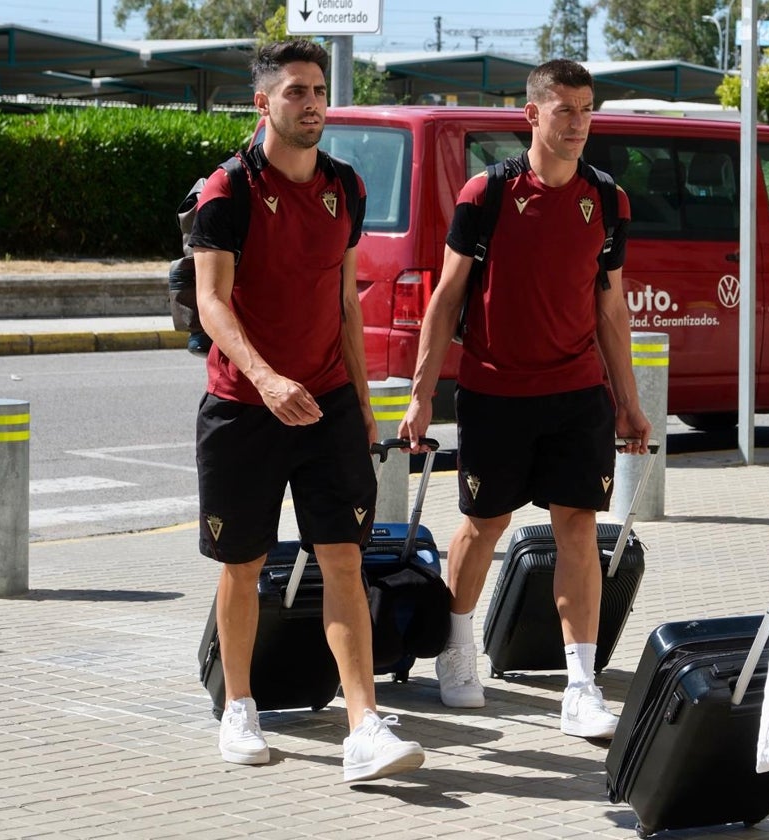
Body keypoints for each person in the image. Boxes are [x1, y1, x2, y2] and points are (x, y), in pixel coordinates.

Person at [190, 40, 424, 783]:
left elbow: (344, 307)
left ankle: (364, 724)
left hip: (324, 404)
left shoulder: (345, 188)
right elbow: (211, 303)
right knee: (243, 565)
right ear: (264, 104)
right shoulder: (226, 191)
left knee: (344, 560)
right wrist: (264, 378)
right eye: (295, 91)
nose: (312, 103)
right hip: (244, 409)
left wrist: (359, 402)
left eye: (318, 90)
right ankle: (240, 707)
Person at [398, 58, 652, 739]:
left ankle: (580, 683)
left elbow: (612, 311)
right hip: (494, 392)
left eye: (586, 110)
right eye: (564, 110)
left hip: (577, 395)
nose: (578, 123)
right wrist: (422, 397)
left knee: (577, 529)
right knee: (485, 525)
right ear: (531, 115)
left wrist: (628, 401)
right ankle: (456, 649)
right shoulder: (489, 193)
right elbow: (446, 299)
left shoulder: (607, 198)